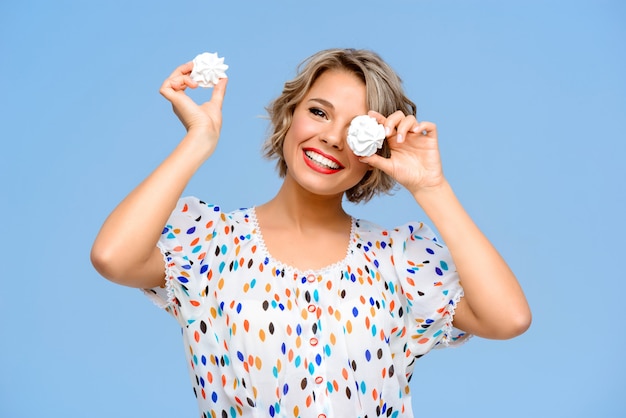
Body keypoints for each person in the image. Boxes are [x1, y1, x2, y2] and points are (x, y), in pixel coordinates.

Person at [91, 48, 531, 417]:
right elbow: (113, 257)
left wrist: (432, 188)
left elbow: (508, 318)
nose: (332, 138)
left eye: (357, 129)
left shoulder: (399, 259)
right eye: (319, 112)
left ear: (375, 152)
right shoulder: (209, 242)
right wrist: (198, 140)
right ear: (290, 114)